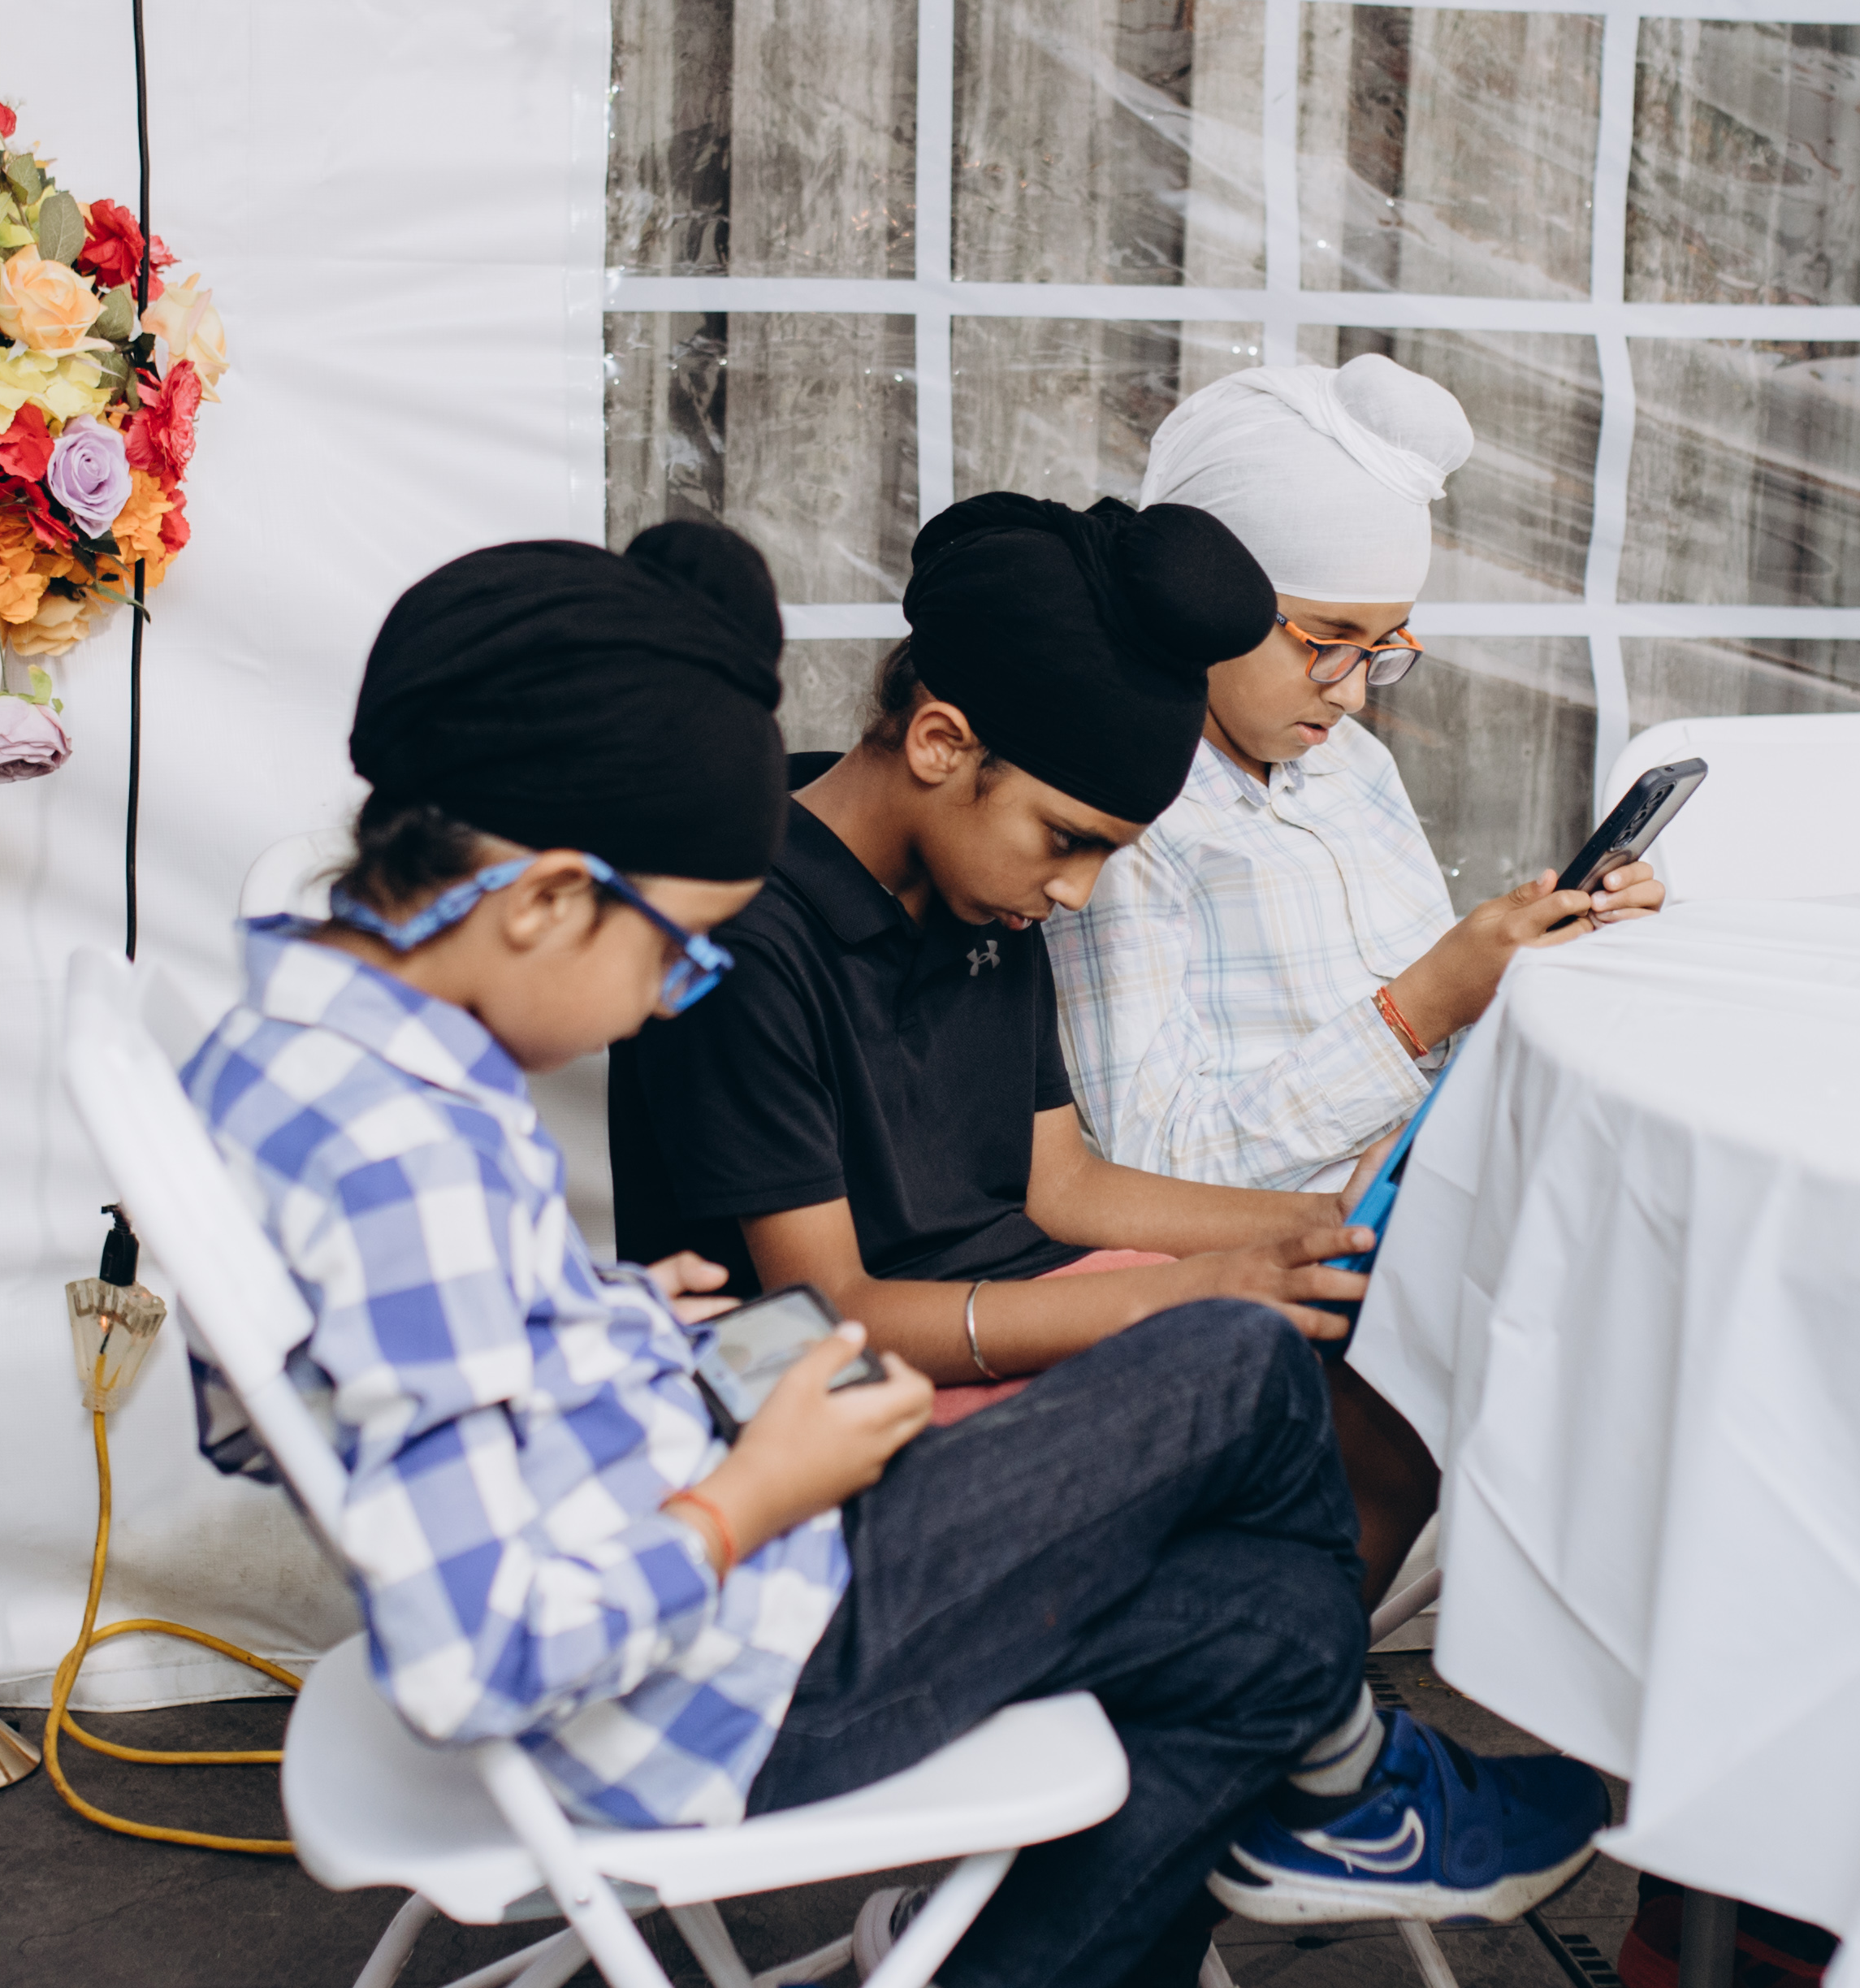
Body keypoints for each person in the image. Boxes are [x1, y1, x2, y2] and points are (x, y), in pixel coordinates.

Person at [183, 525, 1608, 1988]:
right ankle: (1339, 1792)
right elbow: (480, 1661)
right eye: (674, 952)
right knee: (1239, 1367)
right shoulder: (409, 1158)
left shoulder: (294, 1053)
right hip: (708, 1679)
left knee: (1274, 1622)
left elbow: (263, 1413)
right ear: (546, 899)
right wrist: (748, 1494)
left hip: (723, 1549)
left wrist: (601, 1325)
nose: (669, 998)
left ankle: (1273, 1815)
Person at [605, 494, 1447, 1591]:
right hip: (818, 1383)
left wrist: (1326, 1228)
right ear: (941, 744)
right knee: (1274, 1433)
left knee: (1391, 1389)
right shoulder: (746, 938)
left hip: (1012, 1304)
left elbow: (1061, 1184)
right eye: (1066, 842)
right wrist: (1175, 1295)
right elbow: (826, 1314)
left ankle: (1276, 1686)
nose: (1075, 892)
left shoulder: (982, 891)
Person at [1045, 355, 1668, 1199]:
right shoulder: (1121, 819)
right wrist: (1421, 1009)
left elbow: (1448, 1035)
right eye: (1327, 641)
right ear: (1200, 604)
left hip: (1447, 1173)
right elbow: (1150, 1165)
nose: (1352, 695)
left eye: (1383, 648)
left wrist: (1543, 950)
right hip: (1297, 1239)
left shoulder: (1351, 762)